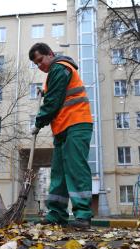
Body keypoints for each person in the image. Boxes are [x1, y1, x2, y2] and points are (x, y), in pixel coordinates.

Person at [28, 42, 93, 229]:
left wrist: (39, 122)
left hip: (77, 123)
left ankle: (82, 215)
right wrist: (45, 91)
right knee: (58, 172)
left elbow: (52, 102)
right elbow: (55, 95)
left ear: (50, 54)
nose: (40, 65)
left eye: (41, 60)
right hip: (63, 127)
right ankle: (56, 213)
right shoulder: (54, 74)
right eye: (36, 64)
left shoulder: (59, 68)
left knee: (75, 168)